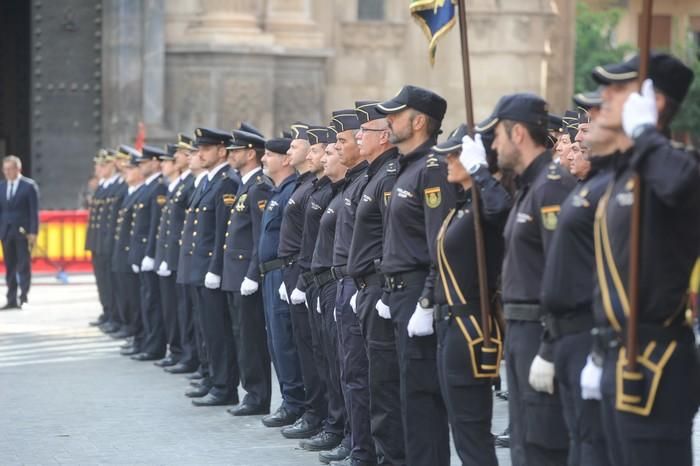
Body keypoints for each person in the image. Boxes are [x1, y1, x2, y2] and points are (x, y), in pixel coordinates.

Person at [584, 52, 700, 466]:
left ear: (656, 101)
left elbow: (681, 182)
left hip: (655, 362)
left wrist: (647, 133)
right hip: (621, 356)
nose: (605, 97)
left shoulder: (672, 165)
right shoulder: (627, 172)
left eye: (618, 88)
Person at [489, 93, 576, 466]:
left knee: (543, 446)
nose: (493, 145)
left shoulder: (551, 186)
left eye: (497, 136)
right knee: (525, 442)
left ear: (518, 133)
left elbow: (566, 275)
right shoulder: (529, 185)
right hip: (521, 329)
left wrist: (549, 346)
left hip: (540, 329)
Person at [376, 85, 456, 466]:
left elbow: (440, 242)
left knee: (423, 400)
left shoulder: (433, 168)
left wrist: (427, 299)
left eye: (396, 114)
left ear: (420, 121)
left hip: (417, 296)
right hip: (396, 293)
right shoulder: (406, 167)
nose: (388, 120)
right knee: (404, 395)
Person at [539, 101, 614, 466]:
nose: (574, 140)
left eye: (586, 130)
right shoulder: (582, 188)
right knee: (572, 438)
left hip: (592, 329)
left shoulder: (608, 187)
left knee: (591, 441)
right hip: (564, 330)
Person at [431, 124, 511, 465]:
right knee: (461, 428)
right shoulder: (463, 205)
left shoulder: (484, 205)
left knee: (473, 429)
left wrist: (481, 171)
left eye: (455, 154)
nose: (448, 160)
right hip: (451, 326)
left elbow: (503, 211)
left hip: (471, 329)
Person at [346, 100, 405, 465]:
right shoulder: (372, 175)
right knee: (369, 379)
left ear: (383, 137)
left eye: (362, 132)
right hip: (365, 289)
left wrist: (383, 287)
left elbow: (392, 238)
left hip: (379, 290)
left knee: (384, 386)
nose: (356, 137)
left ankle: (390, 459)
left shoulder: (388, 177)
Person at [279, 122, 327, 440]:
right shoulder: (304, 186)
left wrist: (301, 278)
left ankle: (320, 416)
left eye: (304, 147)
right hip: (296, 272)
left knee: (317, 354)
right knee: (306, 350)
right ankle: (316, 413)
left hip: (311, 275)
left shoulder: (316, 188)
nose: (293, 152)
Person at [220, 129, 273, 416]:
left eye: (236, 150)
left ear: (251, 153)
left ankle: (257, 396)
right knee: (241, 335)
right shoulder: (245, 185)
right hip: (235, 275)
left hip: (245, 276)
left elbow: (259, 237)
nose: (232, 155)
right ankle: (250, 392)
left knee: (251, 337)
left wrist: (253, 274)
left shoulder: (259, 187)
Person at [188, 127, 241, 406]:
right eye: (199, 149)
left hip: (212, 268)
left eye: (206, 149)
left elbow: (223, 232)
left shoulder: (226, 182)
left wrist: (215, 268)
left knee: (219, 331)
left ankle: (224, 386)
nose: (200, 153)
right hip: (200, 268)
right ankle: (211, 376)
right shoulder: (208, 181)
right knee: (206, 328)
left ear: (222, 150)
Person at [258, 136, 306, 427]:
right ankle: (290, 399)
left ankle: (294, 402)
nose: (263, 159)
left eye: (269, 155)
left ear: (286, 160)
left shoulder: (291, 191)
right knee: (276, 341)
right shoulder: (278, 191)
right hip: (270, 273)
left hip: (282, 271)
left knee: (285, 341)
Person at [310, 131, 351, 465]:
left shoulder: (346, 192)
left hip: (341, 284)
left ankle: (346, 431)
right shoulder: (336, 192)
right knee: (329, 360)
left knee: (346, 367)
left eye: (332, 151)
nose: (325, 157)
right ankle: (339, 426)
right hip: (325, 282)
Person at [161, 135, 199, 374]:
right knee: (181, 310)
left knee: (188, 310)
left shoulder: (189, 184)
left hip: (188, 256)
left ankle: (190, 356)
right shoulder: (183, 184)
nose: (175, 159)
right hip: (179, 255)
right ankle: (185, 353)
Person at [128, 145, 168, 362]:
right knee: (146, 301)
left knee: (152, 302)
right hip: (142, 252)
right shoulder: (148, 187)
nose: (141, 166)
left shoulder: (159, 187)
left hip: (149, 253)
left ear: (155, 162)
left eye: (144, 162)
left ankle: (154, 345)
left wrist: (150, 253)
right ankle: (146, 341)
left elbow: (155, 225)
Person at [152, 144, 185, 368]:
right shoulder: (174, 187)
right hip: (171, 258)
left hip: (180, 259)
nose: (163, 165)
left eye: (168, 160)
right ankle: (177, 351)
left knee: (180, 310)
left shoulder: (185, 186)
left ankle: (183, 353)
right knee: (172, 309)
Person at [0, 155, 39, 310]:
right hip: (6, 232)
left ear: (18, 169)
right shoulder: (1, 187)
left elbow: (33, 211)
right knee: (9, 266)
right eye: (5, 169)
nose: (8, 172)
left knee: (23, 265)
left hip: (23, 232)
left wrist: (33, 232)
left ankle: (23, 296)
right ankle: (11, 298)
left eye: (11, 169)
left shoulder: (29, 186)